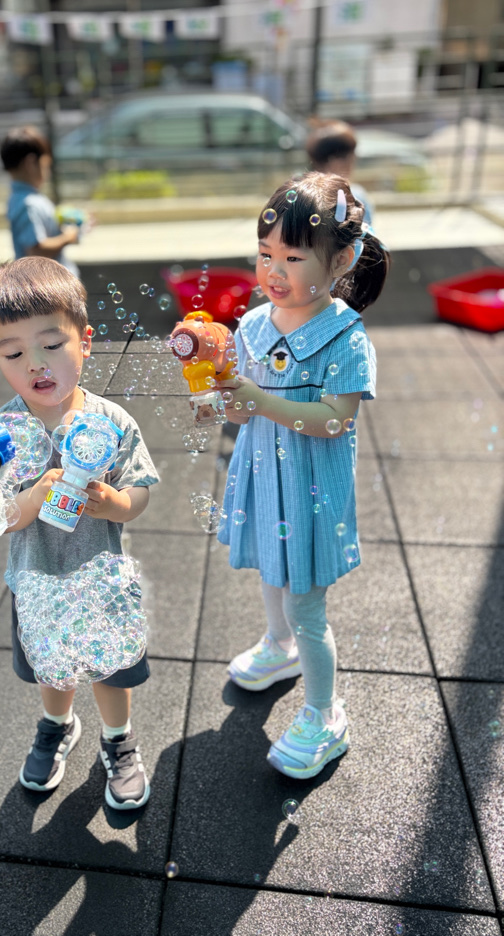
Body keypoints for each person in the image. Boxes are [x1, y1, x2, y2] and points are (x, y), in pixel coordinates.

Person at [216, 171, 389, 780]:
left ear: (340, 260)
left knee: (306, 605)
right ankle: (279, 645)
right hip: (266, 480)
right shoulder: (254, 325)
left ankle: (324, 713)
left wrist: (259, 401)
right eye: (265, 254)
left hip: (312, 492)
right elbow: (240, 411)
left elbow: (335, 421)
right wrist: (224, 397)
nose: (274, 270)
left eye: (293, 258)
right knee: (271, 568)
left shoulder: (345, 337)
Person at [0, 257, 159, 810]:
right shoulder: (0, 434)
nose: (36, 363)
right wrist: (32, 499)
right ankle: (57, 724)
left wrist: (115, 503)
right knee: (52, 666)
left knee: (110, 668)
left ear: (86, 342)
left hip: (100, 577)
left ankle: (118, 739)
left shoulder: (113, 422)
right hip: (37, 578)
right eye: (13, 354)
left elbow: (139, 492)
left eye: (52, 345)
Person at [0, 125, 81, 276]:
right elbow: (36, 251)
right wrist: (68, 237)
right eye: (46, 164)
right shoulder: (29, 204)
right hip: (46, 284)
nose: (48, 171)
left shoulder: (21, 199)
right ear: (31, 163)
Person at [306, 119, 374, 225]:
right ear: (335, 162)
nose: (353, 163)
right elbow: (367, 232)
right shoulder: (355, 197)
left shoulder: (303, 196)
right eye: (351, 159)